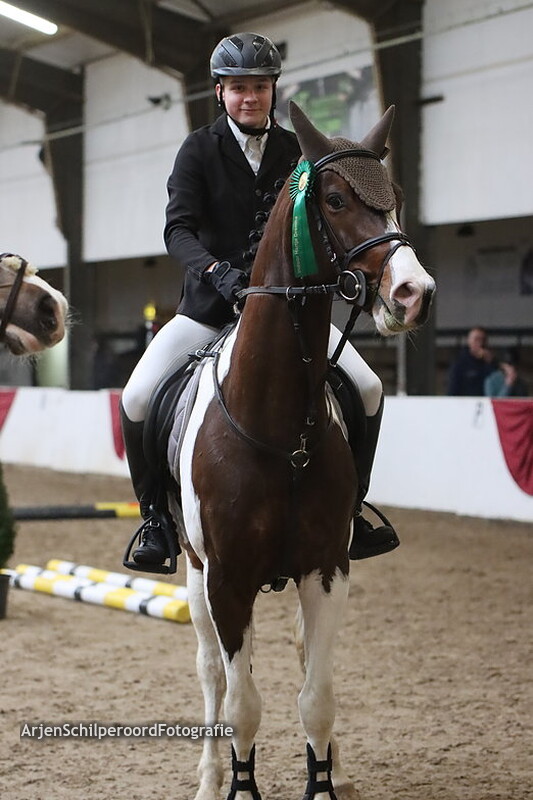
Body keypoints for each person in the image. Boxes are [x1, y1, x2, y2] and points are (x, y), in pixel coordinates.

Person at [120, 32, 399, 572]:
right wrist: (217, 272)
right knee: (136, 397)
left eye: (260, 87)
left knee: (368, 388)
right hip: (207, 312)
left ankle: (353, 510)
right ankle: (155, 519)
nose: (250, 97)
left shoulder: (299, 153)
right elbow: (178, 231)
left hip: (286, 316)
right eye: (239, 88)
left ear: (274, 90)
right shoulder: (198, 149)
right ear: (220, 92)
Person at [447, 326, 498, 396]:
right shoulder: (460, 363)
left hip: (488, 400)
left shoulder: (492, 361)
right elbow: (452, 388)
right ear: (469, 341)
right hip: (467, 400)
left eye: (483, 339)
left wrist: (490, 362)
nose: (480, 343)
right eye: (476, 339)